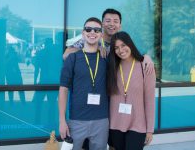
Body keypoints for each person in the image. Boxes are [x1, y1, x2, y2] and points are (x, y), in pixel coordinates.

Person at [59, 17, 109, 150]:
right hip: (77, 120)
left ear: (101, 34)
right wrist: (62, 121)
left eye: (97, 30)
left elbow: (127, 55)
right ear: (83, 33)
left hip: (101, 120)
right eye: (88, 29)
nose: (92, 32)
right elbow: (63, 90)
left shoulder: (107, 58)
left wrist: (146, 58)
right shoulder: (73, 58)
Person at [63, 8, 154, 75]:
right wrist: (95, 48)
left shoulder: (122, 42)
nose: (111, 24)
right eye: (108, 21)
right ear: (102, 24)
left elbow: (135, 55)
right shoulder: (91, 38)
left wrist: (146, 57)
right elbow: (66, 55)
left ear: (120, 26)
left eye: (115, 21)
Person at [107, 31, 156, 150]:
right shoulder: (112, 66)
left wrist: (150, 129)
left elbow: (149, 100)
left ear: (130, 44)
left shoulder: (145, 66)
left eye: (123, 45)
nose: (121, 50)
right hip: (115, 125)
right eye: (116, 48)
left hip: (137, 125)